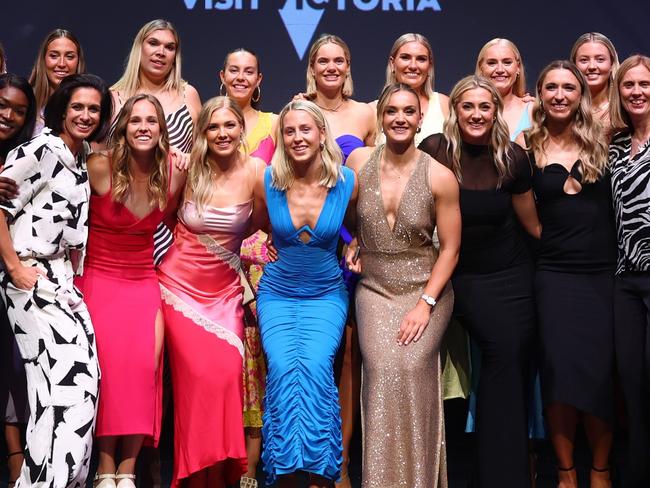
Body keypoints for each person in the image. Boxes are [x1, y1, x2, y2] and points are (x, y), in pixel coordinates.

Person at [419, 75, 541, 488]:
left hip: (513, 274)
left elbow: (530, 224)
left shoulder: (513, 158)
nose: (476, 114)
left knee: (508, 358)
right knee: (500, 350)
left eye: (484, 107)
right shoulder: (435, 152)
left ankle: (502, 472)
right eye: (467, 106)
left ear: (495, 111)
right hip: (464, 276)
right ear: (455, 110)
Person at [345, 82, 460, 487]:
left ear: (419, 119)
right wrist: (352, 241)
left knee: (411, 368)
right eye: (392, 111)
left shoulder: (440, 176)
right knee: (380, 371)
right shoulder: (358, 162)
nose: (400, 119)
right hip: (375, 290)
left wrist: (425, 303)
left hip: (425, 288)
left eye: (408, 112)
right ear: (381, 117)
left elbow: (450, 249)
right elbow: (335, 213)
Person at [0, 73, 111, 488]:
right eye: (78, 107)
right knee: (67, 391)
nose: (85, 115)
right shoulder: (41, 149)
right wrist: (14, 268)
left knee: (76, 388)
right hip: (31, 277)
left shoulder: (79, 156)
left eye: (94, 109)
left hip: (62, 279)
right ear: (62, 108)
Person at [74, 94, 185, 488]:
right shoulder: (99, 167)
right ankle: (105, 467)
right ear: (123, 127)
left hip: (142, 280)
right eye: (135, 120)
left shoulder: (173, 174)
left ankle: (128, 469)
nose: (143, 127)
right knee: (109, 371)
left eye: (151, 121)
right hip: (98, 278)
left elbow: (181, 221)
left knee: (144, 369)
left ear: (161, 129)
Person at [157, 96, 266, 488]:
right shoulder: (188, 170)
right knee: (195, 384)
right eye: (213, 127)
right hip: (177, 289)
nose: (222, 133)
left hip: (224, 295)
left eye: (229, 125)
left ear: (241, 129)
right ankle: (193, 478)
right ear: (203, 133)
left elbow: (265, 223)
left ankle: (222, 477)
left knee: (224, 379)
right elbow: (162, 214)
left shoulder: (257, 171)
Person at [255, 100, 357, 487]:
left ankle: (322, 473)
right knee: (282, 371)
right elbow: (251, 223)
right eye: (289, 130)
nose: (298, 137)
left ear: (321, 134)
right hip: (278, 294)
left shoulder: (347, 180)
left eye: (305, 130)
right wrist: (261, 245)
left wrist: (355, 242)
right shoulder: (267, 179)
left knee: (315, 369)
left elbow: (360, 224)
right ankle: (283, 472)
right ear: (281, 137)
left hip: (325, 296)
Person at [529, 60, 616, 488]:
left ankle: (600, 471)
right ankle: (566, 475)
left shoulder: (604, 142)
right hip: (554, 277)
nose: (560, 95)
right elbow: (528, 219)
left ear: (581, 95)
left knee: (601, 375)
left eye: (569, 87)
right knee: (559, 374)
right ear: (539, 94)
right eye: (552, 88)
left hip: (603, 277)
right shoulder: (526, 148)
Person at [302, 33, 375, 487]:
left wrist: (361, 238)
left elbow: (379, 178)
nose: (331, 67)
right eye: (323, 60)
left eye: (339, 60)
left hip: (352, 242)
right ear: (312, 66)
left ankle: (342, 464)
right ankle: (305, 455)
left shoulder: (366, 112)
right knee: (309, 356)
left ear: (348, 65)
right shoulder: (297, 108)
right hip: (309, 243)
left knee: (347, 356)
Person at [219, 48, 276, 487]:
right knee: (223, 365)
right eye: (233, 70)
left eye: (249, 71)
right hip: (214, 256)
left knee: (255, 366)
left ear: (260, 79)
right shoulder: (210, 120)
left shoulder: (276, 123)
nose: (241, 77)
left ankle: (253, 470)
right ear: (222, 76)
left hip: (261, 256)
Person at [111, 19, 200, 268]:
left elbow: (205, 155)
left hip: (175, 222)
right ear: (140, 47)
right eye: (153, 43)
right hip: (125, 219)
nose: (161, 52)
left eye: (169, 47)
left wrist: (190, 159)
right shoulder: (113, 97)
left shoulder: (188, 95)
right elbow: (99, 160)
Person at [609, 54, 650, 488]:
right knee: (631, 381)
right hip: (624, 279)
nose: (637, 91)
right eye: (628, 85)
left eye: (645, 84)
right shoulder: (617, 146)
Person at [0, 73, 36, 488]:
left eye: (20, 111)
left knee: (12, 364)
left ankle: (16, 455)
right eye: (3, 106)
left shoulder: (25, 155)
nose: (8, 115)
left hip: (10, 268)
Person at [376, 33, 449, 145]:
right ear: (392, 63)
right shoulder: (373, 110)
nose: (413, 66)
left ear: (429, 66)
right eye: (405, 57)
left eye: (421, 59)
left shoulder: (445, 105)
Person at [28, 29, 85, 133]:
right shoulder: (26, 101)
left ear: (78, 62)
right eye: (54, 56)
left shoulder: (88, 107)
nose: (62, 64)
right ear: (43, 60)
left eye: (69, 56)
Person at [475, 38, 532, 141]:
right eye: (492, 63)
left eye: (507, 62)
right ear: (481, 68)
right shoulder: (468, 112)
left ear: (518, 67)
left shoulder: (533, 110)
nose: (500, 70)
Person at [570, 33, 619, 133]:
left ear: (612, 64)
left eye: (600, 59)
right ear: (574, 65)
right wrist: (528, 109)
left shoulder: (624, 106)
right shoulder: (564, 105)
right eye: (584, 60)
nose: (592, 66)